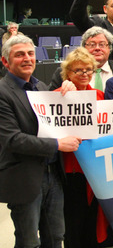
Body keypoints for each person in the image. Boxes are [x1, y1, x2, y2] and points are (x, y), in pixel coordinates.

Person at [0, 34, 81, 247]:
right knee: (28, 241)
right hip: (24, 178)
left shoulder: (42, 87)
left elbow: (57, 121)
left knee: (55, 237)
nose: (27, 58)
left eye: (30, 54)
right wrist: (57, 145)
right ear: (5, 61)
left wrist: (69, 88)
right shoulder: (2, 92)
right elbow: (12, 139)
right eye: (19, 55)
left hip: (53, 175)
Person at [54, 47, 111, 247]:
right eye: (78, 70)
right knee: (73, 222)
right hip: (72, 170)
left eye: (88, 69)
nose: (85, 74)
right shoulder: (58, 95)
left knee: (93, 221)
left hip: (95, 170)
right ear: (68, 73)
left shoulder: (100, 95)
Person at [49, 26, 113, 91]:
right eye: (92, 44)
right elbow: (50, 100)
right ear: (84, 48)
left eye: (102, 44)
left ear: (109, 48)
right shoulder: (63, 71)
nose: (97, 48)